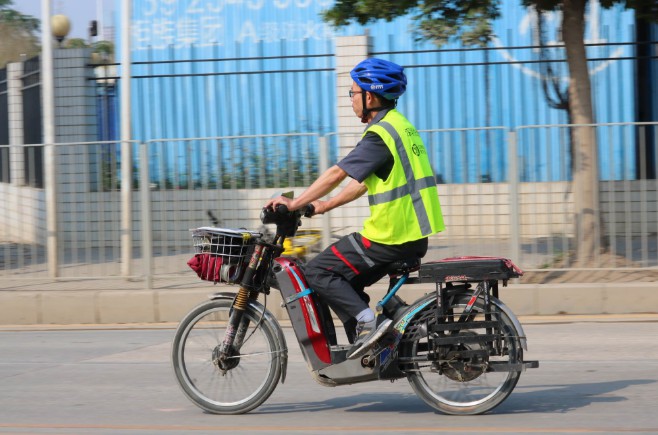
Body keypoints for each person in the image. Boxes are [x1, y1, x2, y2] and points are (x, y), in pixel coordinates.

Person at [265, 58, 445, 359]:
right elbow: (364, 183)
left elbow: (338, 173)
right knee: (341, 282)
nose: (351, 100)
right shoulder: (401, 127)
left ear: (369, 97)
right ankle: (369, 350)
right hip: (410, 235)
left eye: (353, 93)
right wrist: (323, 205)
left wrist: (294, 203)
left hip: (391, 236)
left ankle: (369, 325)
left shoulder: (380, 135)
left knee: (317, 272)